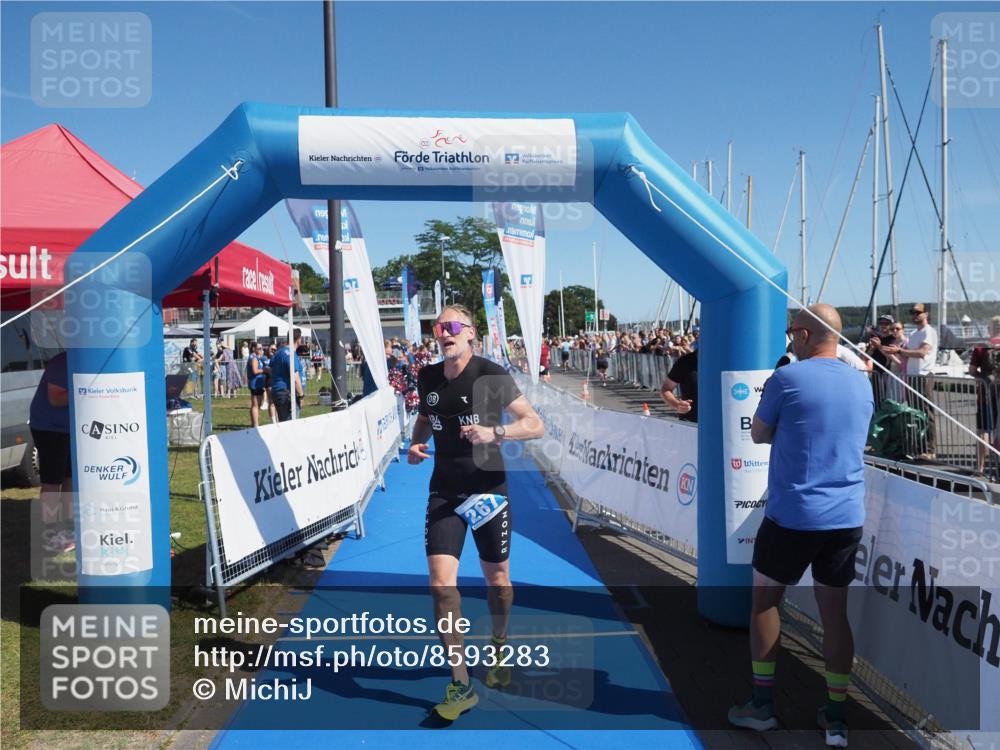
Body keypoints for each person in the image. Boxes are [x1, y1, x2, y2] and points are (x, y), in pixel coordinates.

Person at [728, 304, 873, 749]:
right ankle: (834, 718)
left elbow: (758, 433)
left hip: (793, 515)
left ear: (807, 335)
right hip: (846, 516)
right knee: (834, 616)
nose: (789, 338)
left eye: (792, 331)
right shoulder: (862, 381)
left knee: (765, 604)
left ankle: (762, 705)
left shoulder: (786, 379)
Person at [408, 304, 544, 721]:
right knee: (440, 582)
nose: (443, 332)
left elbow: (534, 423)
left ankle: (499, 644)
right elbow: (426, 417)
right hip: (444, 492)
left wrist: (496, 431)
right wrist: (416, 444)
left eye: (452, 326)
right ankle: (460, 683)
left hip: (488, 493)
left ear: (470, 333)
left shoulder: (490, 375)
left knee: (498, 580)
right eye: (438, 327)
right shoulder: (429, 375)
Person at [29, 352, 75, 553]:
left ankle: (68, 528)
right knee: (52, 482)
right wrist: (87, 390)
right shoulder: (61, 362)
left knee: (70, 478)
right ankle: (49, 533)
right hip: (50, 427)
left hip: (69, 427)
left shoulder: (83, 359)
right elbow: (56, 398)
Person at [882, 303, 938, 458]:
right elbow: (905, 356)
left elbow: (922, 353)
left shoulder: (928, 332)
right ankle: (919, 447)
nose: (915, 315)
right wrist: (890, 351)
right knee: (916, 413)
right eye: (913, 312)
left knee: (927, 412)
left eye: (918, 312)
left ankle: (930, 449)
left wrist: (899, 350)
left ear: (925, 314)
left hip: (924, 375)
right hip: (912, 376)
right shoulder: (915, 334)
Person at [969, 316, 1000, 476]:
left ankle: (980, 468)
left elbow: (972, 370)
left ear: (990, 329)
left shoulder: (982, 347)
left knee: (983, 431)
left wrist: (985, 377)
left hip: (986, 394)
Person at [267, 330, 305, 422]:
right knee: (290, 424)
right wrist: (301, 395)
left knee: (284, 422)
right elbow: (295, 376)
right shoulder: (290, 353)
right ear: (299, 339)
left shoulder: (279, 352)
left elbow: (270, 369)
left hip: (278, 392)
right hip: (287, 393)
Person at [659, 348, 697, 422]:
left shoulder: (725, 360)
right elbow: (666, 389)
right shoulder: (685, 361)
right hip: (690, 422)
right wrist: (676, 404)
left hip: (724, 422)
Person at [247, 343, 267, 427]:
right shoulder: (253, 358)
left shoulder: (257, 358)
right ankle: (255, 425)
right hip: (255, 383)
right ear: (254, 349)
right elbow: (255, 371)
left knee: (257, 405)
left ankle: (254, 424)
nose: (261, 350)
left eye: (262, 348)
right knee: (256, 405)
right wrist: (264, 370)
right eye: (259, 348)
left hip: (259, 383)